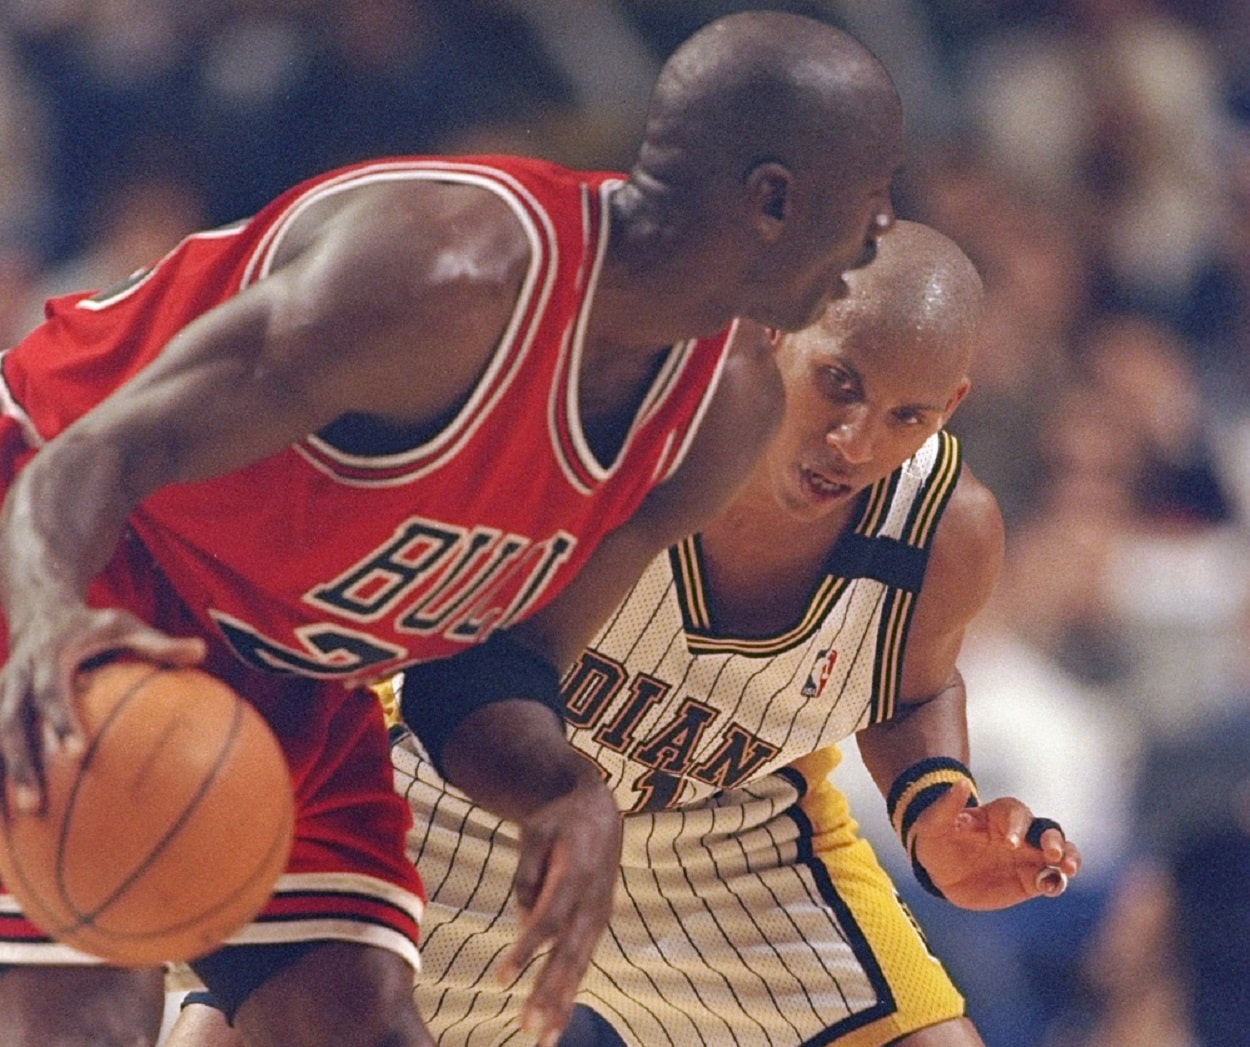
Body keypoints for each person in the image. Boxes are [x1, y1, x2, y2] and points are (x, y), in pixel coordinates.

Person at [0, 11, 904, 1047]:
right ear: (773, 201)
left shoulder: (720, 414)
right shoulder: (444, 278)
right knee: (88, 1010)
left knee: (360, 1024)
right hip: (74, 542)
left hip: (287, 660)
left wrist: (566, 792)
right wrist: (48, 621)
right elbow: (91, 459)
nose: (878, 238)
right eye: (873, 202)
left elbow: (488, 667)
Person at [167, 221, 1081, 1047]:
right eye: (839, 382)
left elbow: (910, 687)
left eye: (906, 417)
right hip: (467, 790)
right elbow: (458, 654)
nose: (854, 439)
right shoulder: (628, 425)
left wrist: (934, 810)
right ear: (776, 328)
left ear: (952, 404)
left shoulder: (947, 529)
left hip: (727, 835)